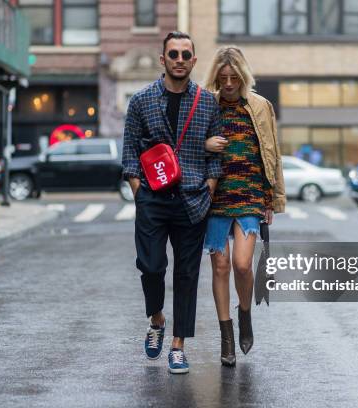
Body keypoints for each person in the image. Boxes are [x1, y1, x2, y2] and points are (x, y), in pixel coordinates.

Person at [122, 32, 222, 374]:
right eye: (173, 54)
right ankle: (157, 318)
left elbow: (217, 156)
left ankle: (178, 346)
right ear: (162, 59)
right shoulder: (141, 100)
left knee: (187, 274)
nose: (179, 59)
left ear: (194, 61)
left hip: (193, 200)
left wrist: (209, 187)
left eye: (185, 54)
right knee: (150, 266)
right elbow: (129, 153)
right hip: (152, 198)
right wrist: (140, 191)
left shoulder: (208, 103)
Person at [203, 46, 285, 367]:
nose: (227, 83)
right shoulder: (205, 105)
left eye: (233, 78)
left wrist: (271, 199)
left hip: (251, 195)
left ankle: (245, 313)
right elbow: (190, 145)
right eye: (222, 78)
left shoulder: (261, 106)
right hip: (214, 197)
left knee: (241, 264)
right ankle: (226, 337)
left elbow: (272, 154)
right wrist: (206, 144)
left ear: (243, 76)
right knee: (220, 267)